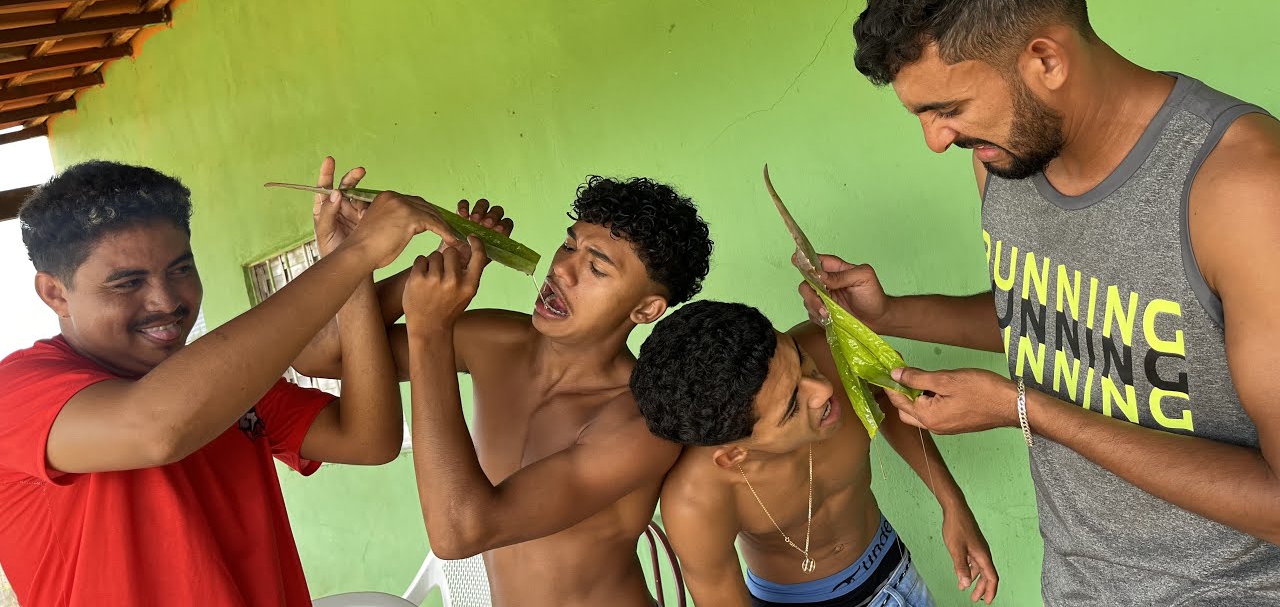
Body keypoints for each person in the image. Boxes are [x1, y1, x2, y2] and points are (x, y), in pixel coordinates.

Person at [802, 0, 1280, 603]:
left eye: (947, 108)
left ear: (1045, 59)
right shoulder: (1004, 157)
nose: (936, 139)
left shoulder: (1242, 190)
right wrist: (891, 312)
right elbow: (1050, 322)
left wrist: (1026, 409)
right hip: (1078, 585)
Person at [0, 158, 452, 606]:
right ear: (55, 293)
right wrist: (358, 254)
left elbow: (367, 439)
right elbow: (157, 429)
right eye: (128, 283)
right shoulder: (18, 390)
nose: (165, 301)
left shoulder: (216, 382)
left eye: (180, 270)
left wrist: (351, 271)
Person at [293, 169, 715, 607]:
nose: (562, 269)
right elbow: (322, 356)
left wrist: (430, 330)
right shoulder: (499, 342)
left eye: (596, 267)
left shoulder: (640, 422)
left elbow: (459, 531)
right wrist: (355, 259)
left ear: (646, 309)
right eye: (569, 244)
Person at [630, 300, 998, 606]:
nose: (822, 390)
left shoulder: (829, 348)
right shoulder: (697, 502)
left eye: (802, 360)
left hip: (896, 571)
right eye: (793, 406)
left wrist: (952, 504)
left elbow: (889, 400)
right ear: (734, 455)